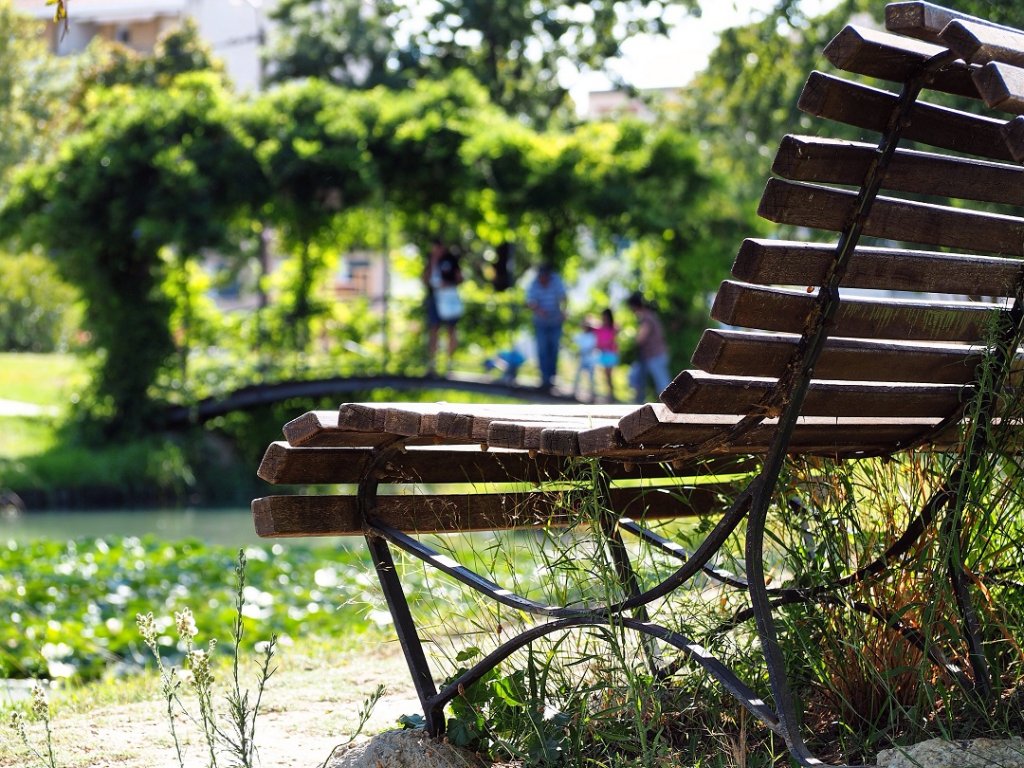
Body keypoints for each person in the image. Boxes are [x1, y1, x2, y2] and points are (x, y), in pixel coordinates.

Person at [423, 238, 463, 376]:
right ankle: (432, 365)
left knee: (451, 330)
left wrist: (448, 283)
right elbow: (425, 279)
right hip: (435, 299)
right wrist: (432, 262)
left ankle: (449, 365)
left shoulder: (451, 259)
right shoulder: (430, 260)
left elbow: (460, 278)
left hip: (449, 299)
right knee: (433, 330)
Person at [526, 262, 567, 391]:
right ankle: (544, 378)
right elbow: (530, 301)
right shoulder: (534, 283)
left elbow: (563, 297)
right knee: (542, 349)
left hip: (555, 320)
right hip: (541, 321)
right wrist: (539, 310)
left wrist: (563, 311)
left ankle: (552, 377)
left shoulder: (556, 280)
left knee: (554, 348)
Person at [626, 291, 671, 402]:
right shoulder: (648, 315)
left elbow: (640, 338)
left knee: (663, 385)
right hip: (649, 356)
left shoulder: (646, 318)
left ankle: (670, 407)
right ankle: (639, 402)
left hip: (655, 355)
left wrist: (631, 339)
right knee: (635, 377)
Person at [594, 308, 619, 402]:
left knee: (609, 375)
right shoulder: (600, 328)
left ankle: (611, 394)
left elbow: (611, 340)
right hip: (604, 353)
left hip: (611, 353)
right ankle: (610, 394)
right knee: (606, 375)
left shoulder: (613, 328)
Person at [571, 320, 598, 401]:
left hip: (590, 359)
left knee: (591, 378)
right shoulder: (580, 335)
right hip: (582, 358)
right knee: (577, 376)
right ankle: (575, 392)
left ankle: (593, 394)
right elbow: (575, 342)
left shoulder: (593, 336)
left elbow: (593, 346)